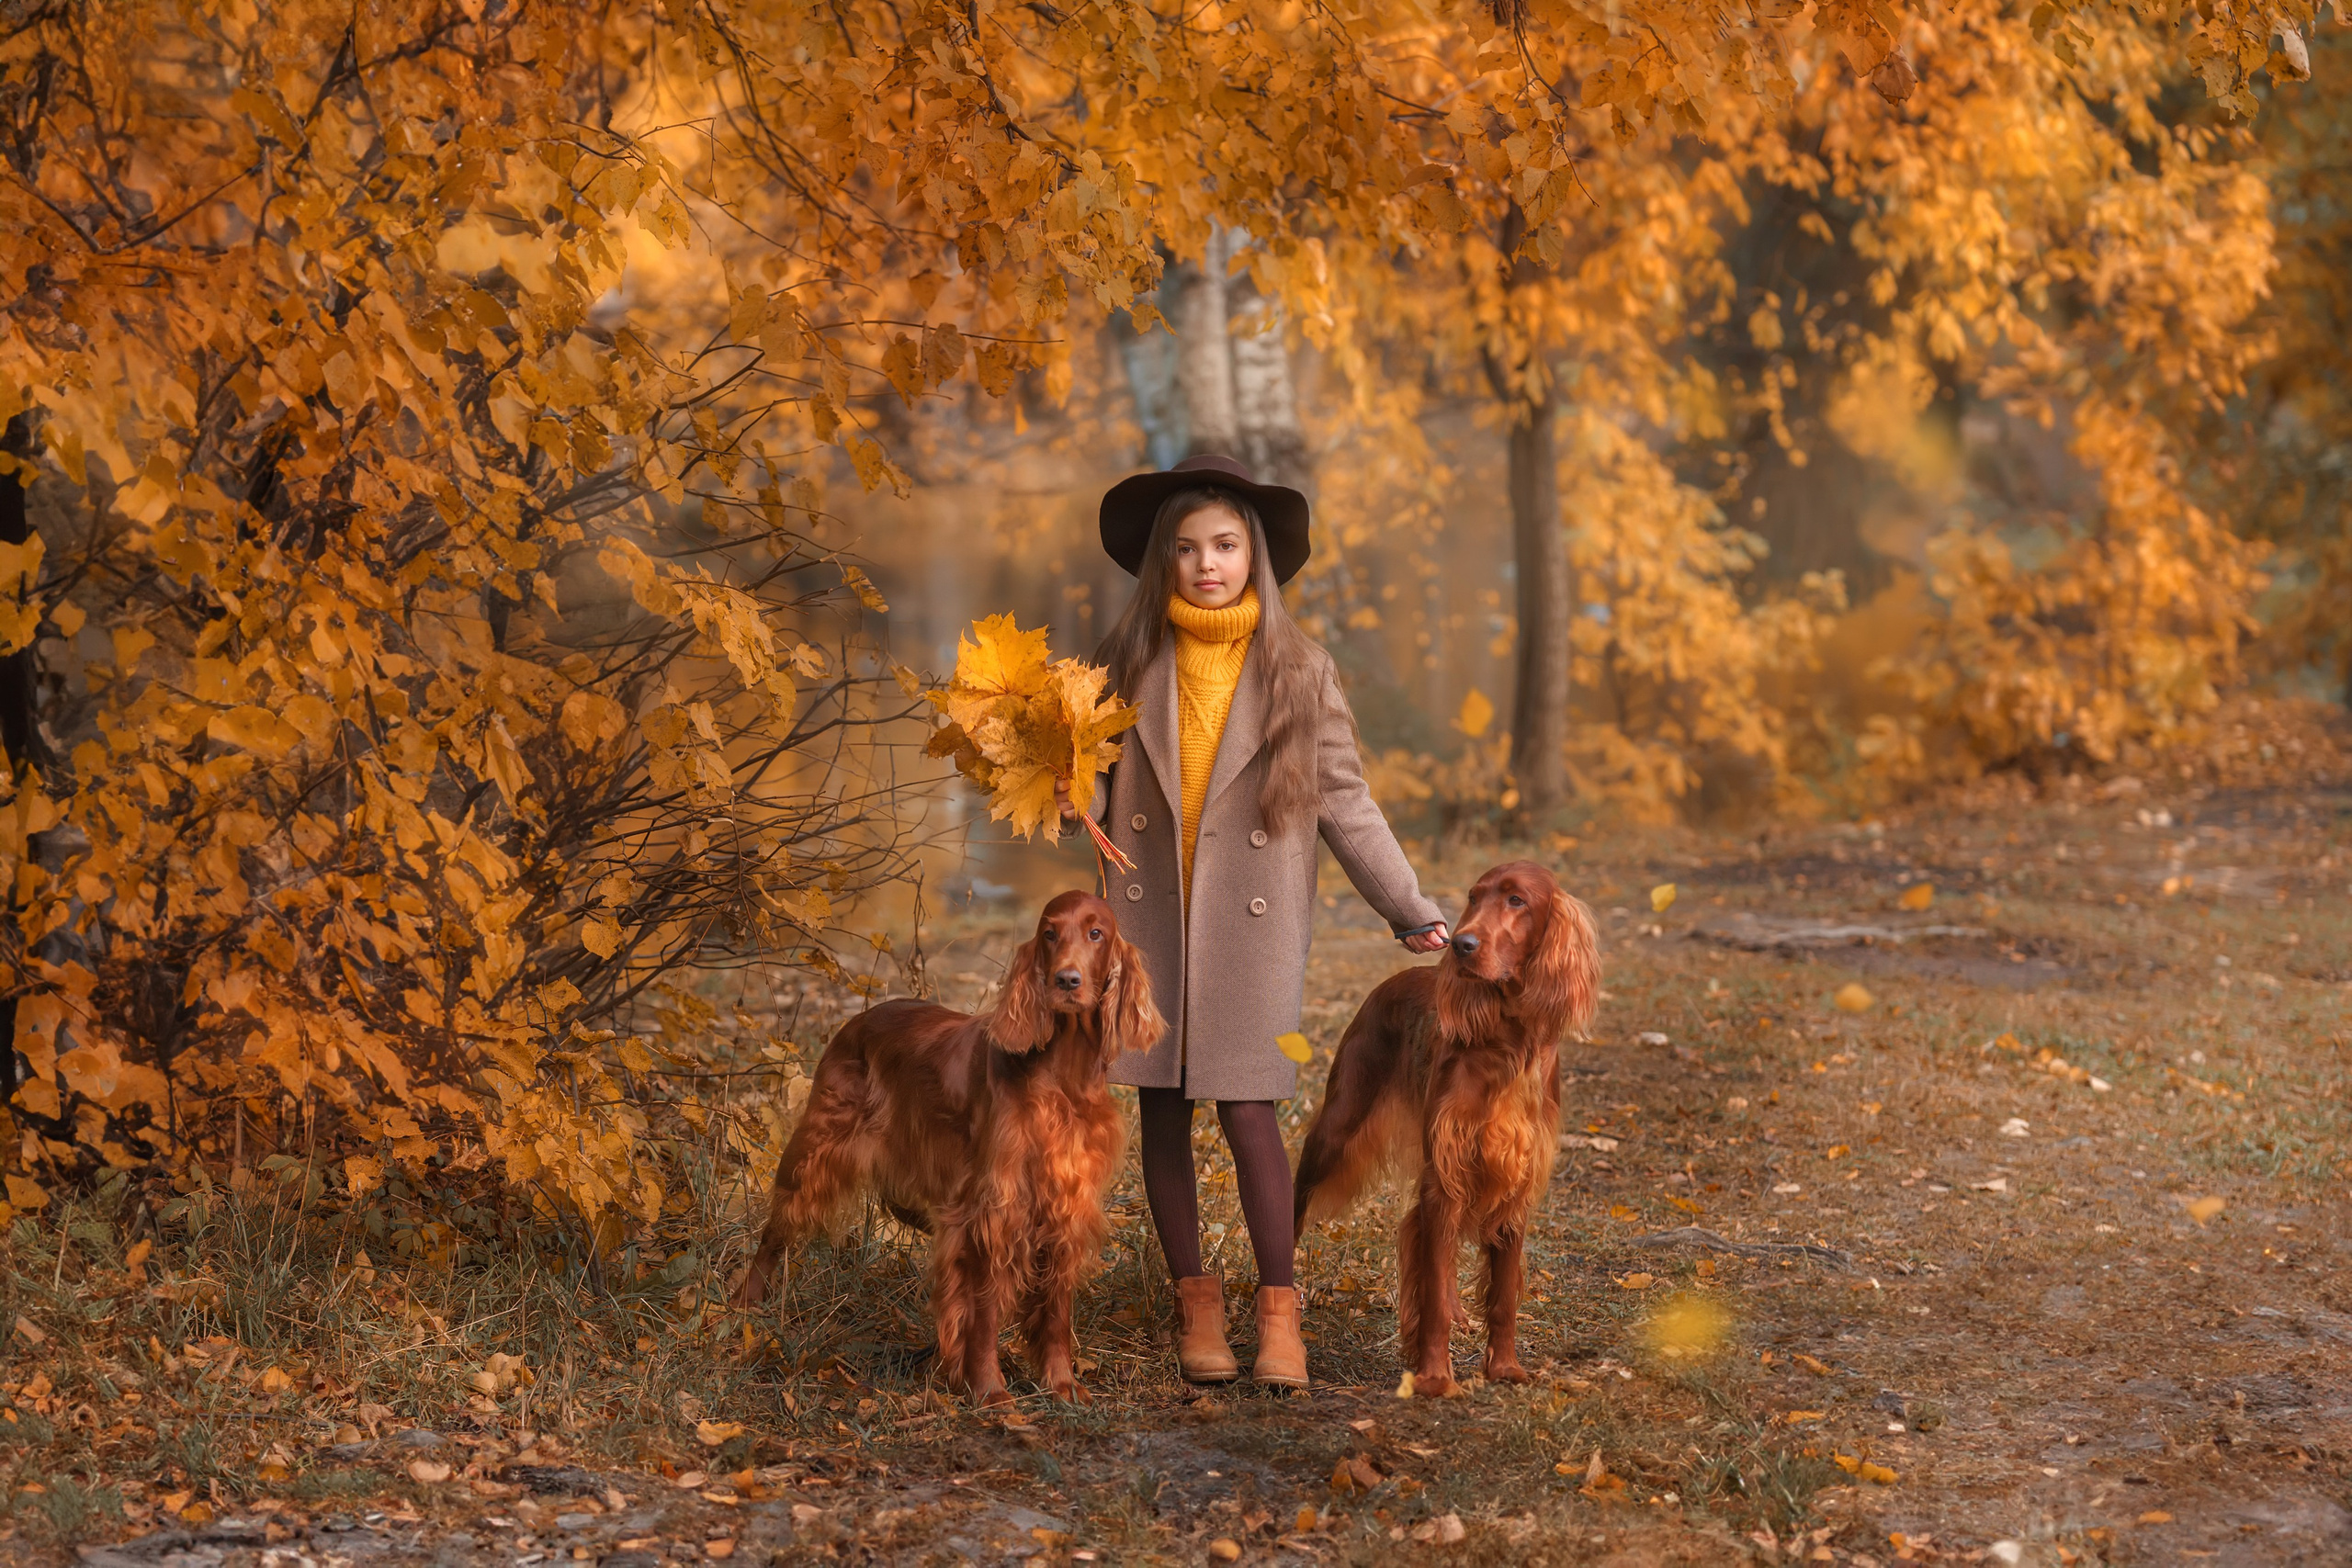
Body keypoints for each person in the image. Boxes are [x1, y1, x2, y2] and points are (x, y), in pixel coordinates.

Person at [1061, 453, 1450, 1391]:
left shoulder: (1298, 672)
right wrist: (1053, 775)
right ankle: (1196, 1304)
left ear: (1255, 559)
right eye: (1188, 548)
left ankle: (1279, 1313)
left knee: (1247, 1111)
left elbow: (1346, 803)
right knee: (1158, 1103)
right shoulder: (1119, 665)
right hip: (1147, 918)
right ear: (1163, 561)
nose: (1207, 563)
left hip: (1251, 923)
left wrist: (1411, 910)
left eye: (1226, 545)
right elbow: (1078, 782)